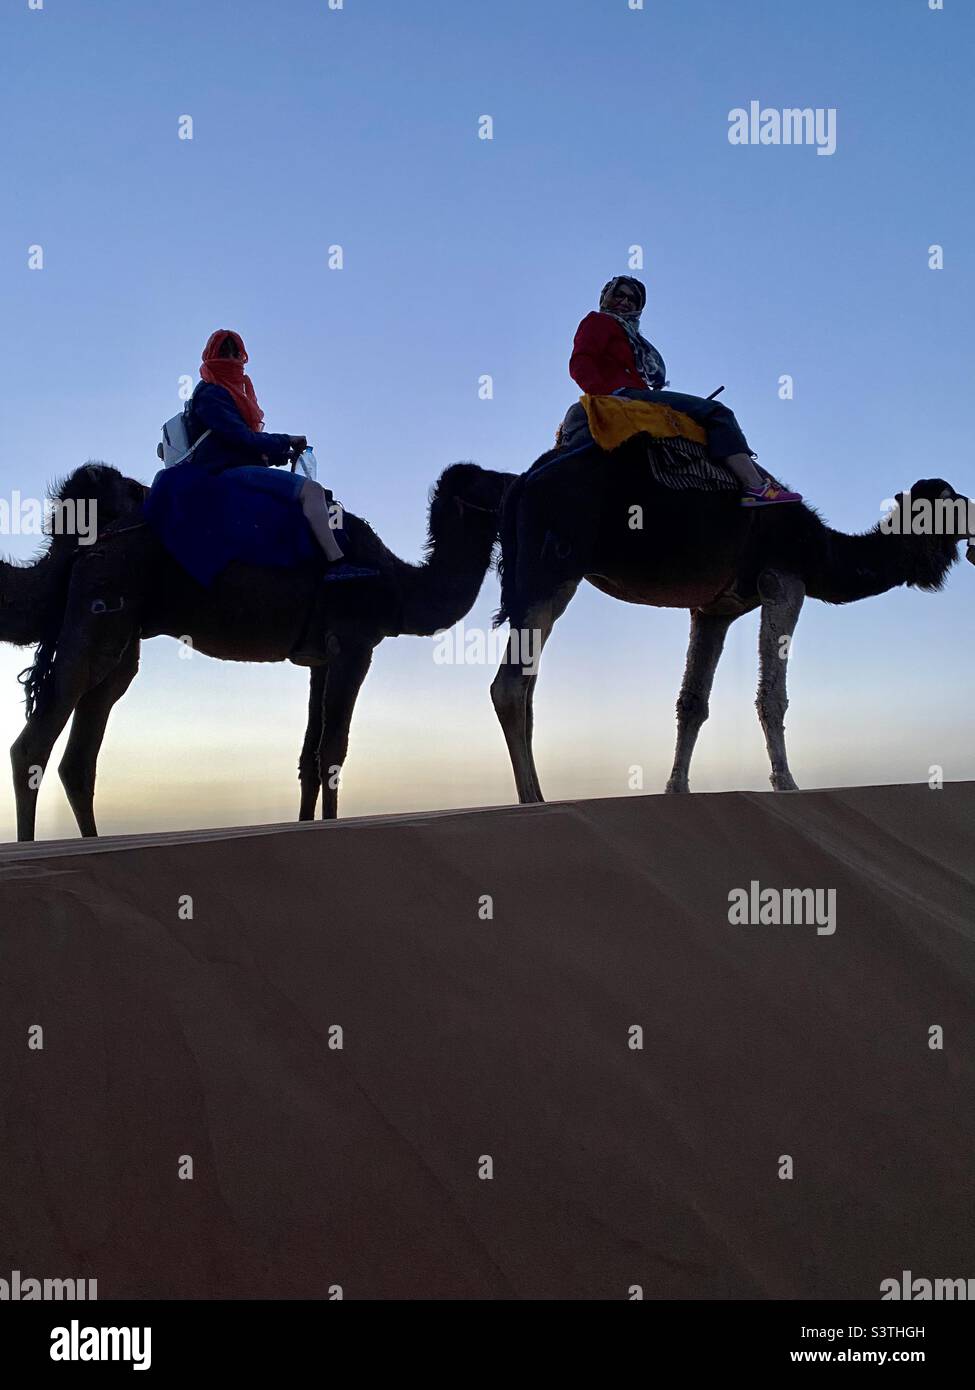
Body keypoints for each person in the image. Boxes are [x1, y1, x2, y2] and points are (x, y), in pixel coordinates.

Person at [152, 329, 374, 580]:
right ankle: (336, 563)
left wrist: (281, 455)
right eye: (227, 352)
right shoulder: (212, 393)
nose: (233, 358)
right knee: (312, 491)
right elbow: (243, 438)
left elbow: (241, 445)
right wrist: (286, 440)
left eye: (236, 352)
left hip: (231, 467)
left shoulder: (225, 393)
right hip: (225, 472)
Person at [569, 277, 801, 507]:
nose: (625, 301)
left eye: (633, 299)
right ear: (606, 296)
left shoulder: (632, 337)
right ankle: (754, 486)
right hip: (623, 395)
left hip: (636, 394)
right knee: (716, 412)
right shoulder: (599, 321)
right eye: (619, 294)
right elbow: (581, 362)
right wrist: (607, 398)